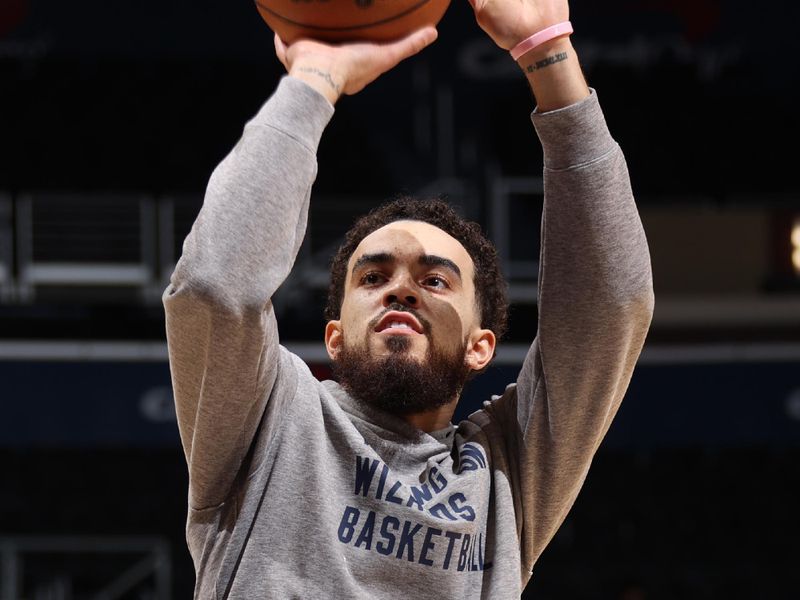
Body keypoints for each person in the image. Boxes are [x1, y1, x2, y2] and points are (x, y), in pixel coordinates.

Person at [163, 0, 654, 596]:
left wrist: (549, 53)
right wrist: (314, 80)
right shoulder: (269, 419)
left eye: (436, 280)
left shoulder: (508, 470)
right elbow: (215, 286)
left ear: (481, 347)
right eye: (372, 278)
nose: (400, 287)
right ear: (335, 336)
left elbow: (610, 309)